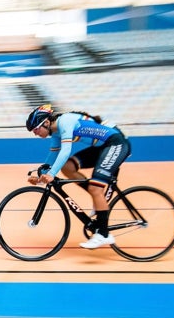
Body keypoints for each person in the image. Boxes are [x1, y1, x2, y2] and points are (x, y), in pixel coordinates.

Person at [25, 104, 131, 249]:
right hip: (102, 147)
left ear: (47, 123)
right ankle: (97, 198)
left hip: (115, 144)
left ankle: (104, 235)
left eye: (36, 129)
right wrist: (41, 177)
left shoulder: (65, 122)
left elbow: (65, 151)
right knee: (68, 167)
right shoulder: (56, 132)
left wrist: (51, 174)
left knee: (95, 188)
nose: (35, 133)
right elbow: (53, 156)